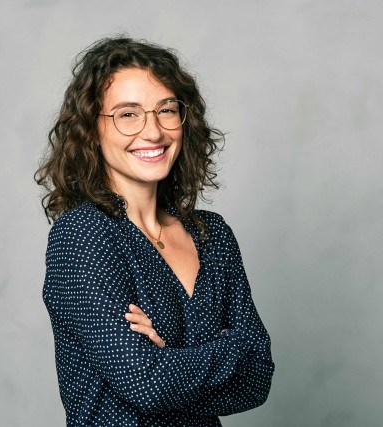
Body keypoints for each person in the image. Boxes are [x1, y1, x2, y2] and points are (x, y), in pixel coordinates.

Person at [35, 36, 274, 427]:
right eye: (128, 114)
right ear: (91, 130)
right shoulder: (82, 235)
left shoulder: (213, 236)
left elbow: (258, 375)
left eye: (166, 110)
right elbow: (146, 383)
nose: (153, 132)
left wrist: (170, 356)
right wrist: (231, 348)